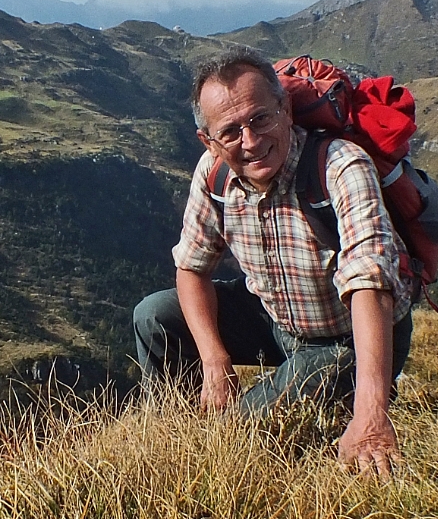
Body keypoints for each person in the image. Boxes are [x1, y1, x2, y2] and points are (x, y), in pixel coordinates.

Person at [132, 48, 412, 477]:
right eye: (230, 131)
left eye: (260, 118)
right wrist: (214, 360)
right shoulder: (214, 174)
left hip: (349, 337)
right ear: (208, 140)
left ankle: (208, 448)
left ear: (285, 109)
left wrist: (372, 417)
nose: (250, 141)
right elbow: (191, 267)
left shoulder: (340, 167)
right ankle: (174, 431)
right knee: (155, 315)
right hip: (276, 320)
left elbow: (370, 282)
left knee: (239, 433)